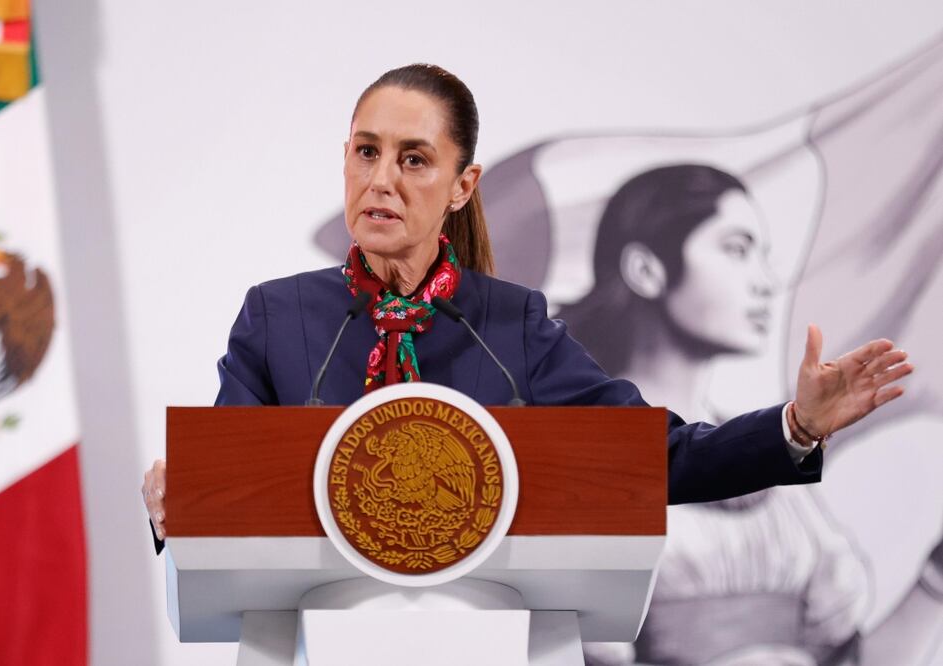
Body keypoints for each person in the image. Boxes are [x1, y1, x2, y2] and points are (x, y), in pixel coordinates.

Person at [142, 65, 912, 560]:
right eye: (364, 152)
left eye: (412, 159)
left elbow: (658, 457)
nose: (380, 179)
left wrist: (796, 425)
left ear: (461, 185)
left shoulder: (513, 325)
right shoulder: (276, 317)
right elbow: (229, 500)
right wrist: (179, 506)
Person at [558, 164, 942, 665]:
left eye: (763, 256)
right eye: (737, 250)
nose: (766, 281)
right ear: (647, 270)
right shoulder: (579, 461)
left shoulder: (770, 464)